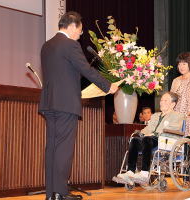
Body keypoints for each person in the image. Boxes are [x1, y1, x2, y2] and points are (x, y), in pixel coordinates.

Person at [39, 11, 118, 200]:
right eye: (80, 31)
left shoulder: (46, 46)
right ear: (73, 26)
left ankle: (51, 193)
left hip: (49, 103)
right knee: (64, 148)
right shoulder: (70, 45)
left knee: (52, 147)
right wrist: (108, 86)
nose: (80, 35)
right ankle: (60, 193)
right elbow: (85, 69)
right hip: (66, 104)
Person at [115, 92, 183, 185]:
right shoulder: (155, 116)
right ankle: (130, 171)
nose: (162, 102)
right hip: (151, 140)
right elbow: (148, 128)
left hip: (166, 140)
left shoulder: (178, 116)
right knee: (135, 140)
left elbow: (173, 129)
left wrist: (153, 134)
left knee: (148, 139)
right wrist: (141, 133)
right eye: (161, 100)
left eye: (165, 100)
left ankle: (144, 173)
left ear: (173, 104)